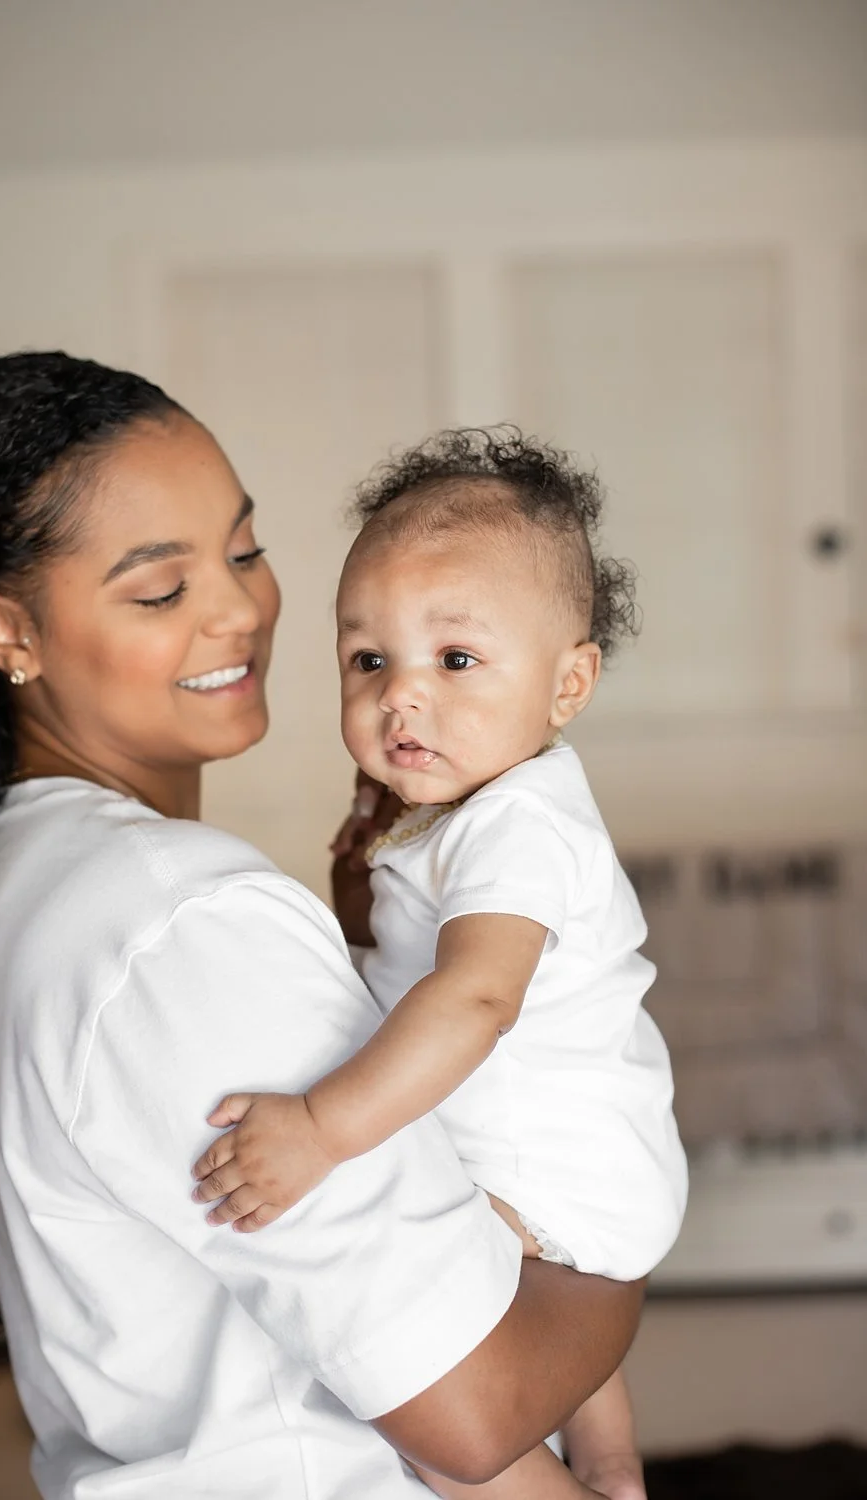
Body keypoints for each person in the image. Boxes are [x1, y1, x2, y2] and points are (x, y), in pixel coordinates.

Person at [0, 357, 642, 1500]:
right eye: (158, 590)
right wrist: (623, 1235)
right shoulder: (179, 915)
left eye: (243, 549)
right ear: (7, 633)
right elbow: (474, 1413)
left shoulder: (16, 868)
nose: (239, 610)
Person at [193, 430, 689, 1497]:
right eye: (369, 660)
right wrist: (358, 884)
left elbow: (473, 996)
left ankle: (576, 1476)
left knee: (426, 1371)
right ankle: (611, 1466)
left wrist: (324, 1130)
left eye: (455, 660)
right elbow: (400, 956)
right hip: (579, 1178)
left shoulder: (519, 826)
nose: (401, 696)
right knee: (527, 1324)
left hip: (552, 1175)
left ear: (568, 684)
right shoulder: (465, 810)